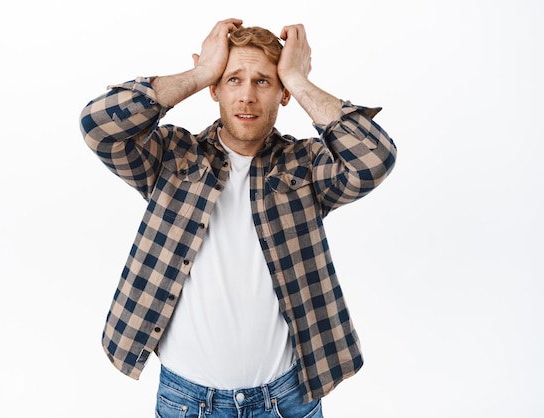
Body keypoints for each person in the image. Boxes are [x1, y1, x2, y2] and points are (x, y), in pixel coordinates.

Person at [79, 18, 397, 418]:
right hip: (186, 401)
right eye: (233, 79)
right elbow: (98, 126)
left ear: (281, 94)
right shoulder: (172, 156)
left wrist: (297, 79)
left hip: (288, 399)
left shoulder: (307, 165)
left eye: (263, 81)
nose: (247, 95)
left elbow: (375, 158)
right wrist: (199, 73)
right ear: (215, 88)